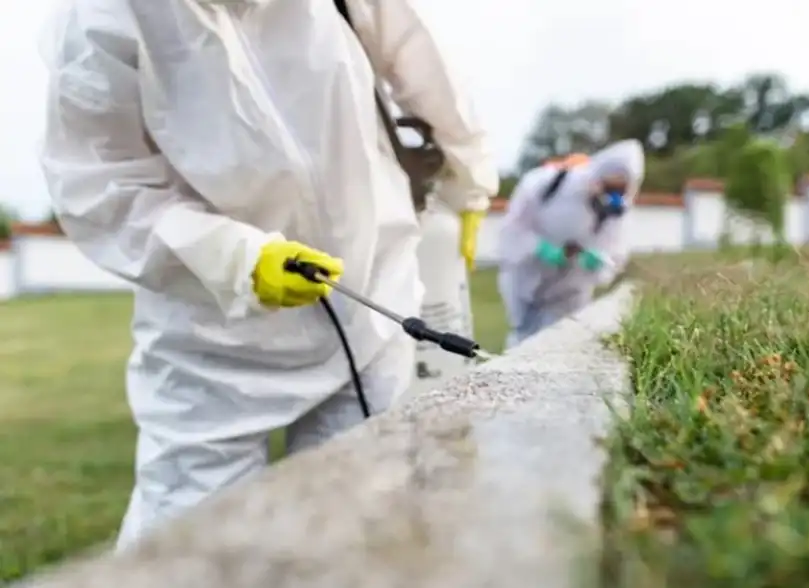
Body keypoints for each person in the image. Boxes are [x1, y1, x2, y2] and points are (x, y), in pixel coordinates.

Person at [39, 0, 497, 550]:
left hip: (367, 306)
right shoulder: (105, 16)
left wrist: (471, 179)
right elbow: (99, 185)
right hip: (212, 342)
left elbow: (419, 57)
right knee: (188, 548)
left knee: (356, 534)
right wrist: (234, 257)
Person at [496, 140, 644, 349]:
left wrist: (599, 262)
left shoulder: (617, 214)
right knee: (522, 342)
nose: (612, 195)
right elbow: (511, 230)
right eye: (609, 186)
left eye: (620, 190)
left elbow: (615, 256)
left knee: (558, 344)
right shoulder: (545, 184)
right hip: (526, 280)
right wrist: (539, 248)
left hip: (571, 290)